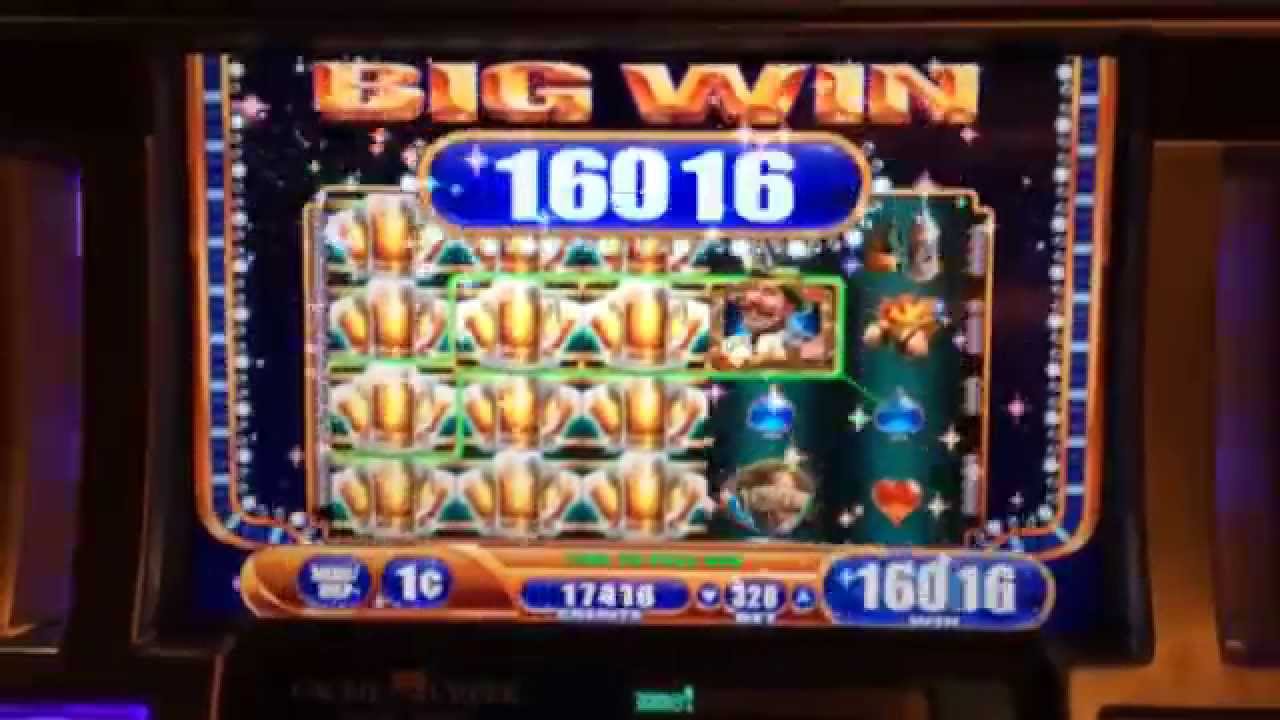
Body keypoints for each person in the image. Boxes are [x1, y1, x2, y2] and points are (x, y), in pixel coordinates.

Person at [721, 279, 825, 366]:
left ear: (790, 306)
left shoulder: (810, 345)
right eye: (751, 290)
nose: (752, 299)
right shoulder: (730, 345)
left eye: (769, 292)